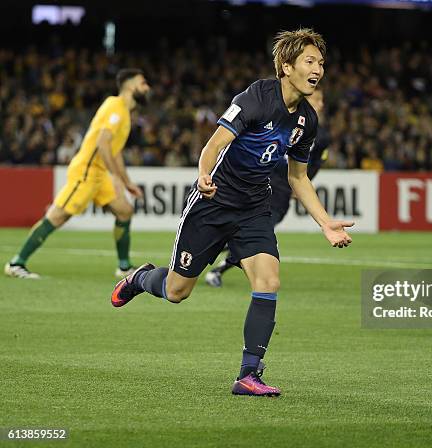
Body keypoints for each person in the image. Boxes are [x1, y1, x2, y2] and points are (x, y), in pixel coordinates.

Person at [110, 29, 353, 396]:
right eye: (309, 61)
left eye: (320, 62)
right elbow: (214, 144)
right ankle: (141, 278)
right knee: (177, 291)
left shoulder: (307, 120)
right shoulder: (256, 98)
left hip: (255, 207)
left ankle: (248, 374)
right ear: (286, 67)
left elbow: (298, 176)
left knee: (269, 281)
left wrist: (325, 222)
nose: (318, 68)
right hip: (214, 203)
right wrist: (203, 174)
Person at [5, 69, 149, 279]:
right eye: (143, 83)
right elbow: (102, 144)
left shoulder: (125, 113)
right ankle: (16, 263)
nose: (148, 88)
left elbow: (114, 151)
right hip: (86, 172)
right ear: (130, 86)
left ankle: (124, 266)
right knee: (58, 216)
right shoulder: (115, 107)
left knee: (124, 210)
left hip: (99, 175)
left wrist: (126, 181)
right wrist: (117, 177)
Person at [204, 88, 330, 287]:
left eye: (322, 100)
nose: (321, 104)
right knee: (255, 235)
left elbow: (313, 165)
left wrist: (300, 186)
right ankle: (217, 266)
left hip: (283, 192)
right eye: (317, 98)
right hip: (263, 184)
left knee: (251, 234)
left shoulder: (319, 135)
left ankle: (219, 257)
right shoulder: (280, 117)